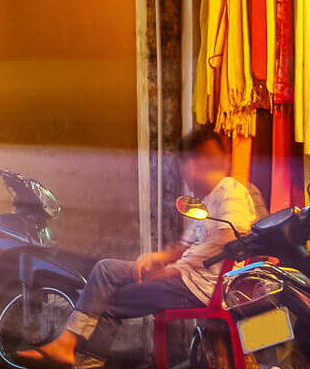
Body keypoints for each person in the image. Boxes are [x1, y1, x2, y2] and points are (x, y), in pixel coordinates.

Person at [21, 127, 263, 368]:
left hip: (202, 287)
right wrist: (157, 257)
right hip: (187, 277)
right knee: (105, 270)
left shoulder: (230, 189)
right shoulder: (204, 201)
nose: (184, 177)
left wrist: (176, 269)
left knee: (110, 300)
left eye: (183, 167)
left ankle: (78, 355)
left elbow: (230, 237)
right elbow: (183, 247)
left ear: (195, 164)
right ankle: (68, 344)